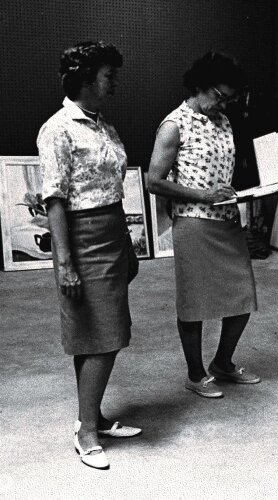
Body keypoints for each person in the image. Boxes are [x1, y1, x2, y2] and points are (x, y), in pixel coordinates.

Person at [147, 52, 278, 398]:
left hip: (227, 219)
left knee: (242, 297)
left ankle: (222, 362)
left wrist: (275, 184)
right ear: (199, 85)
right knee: (195, 303)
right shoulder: (173, 124)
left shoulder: (222, 121)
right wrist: (204, 195)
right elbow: (153, 181)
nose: (222, 104)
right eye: (219, 96)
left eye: (229, 99)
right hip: (194, 223)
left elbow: (223, 175)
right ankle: (195, 374)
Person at [37, 41, 142, 470]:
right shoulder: (58, 128)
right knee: (105, 336)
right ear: (85, 79)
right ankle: (85, 433)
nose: (113, 82)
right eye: (108, 75)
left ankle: (93, 415)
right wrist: (65, 263)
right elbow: (55, 200)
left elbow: (112, 188)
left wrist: (127, 243)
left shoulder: (101, 125)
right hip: (82, 240)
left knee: (93, 333)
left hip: (112, 233)